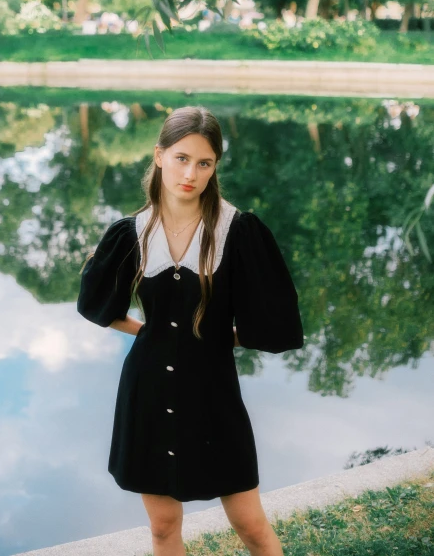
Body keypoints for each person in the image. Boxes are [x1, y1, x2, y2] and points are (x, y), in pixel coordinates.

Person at [77, 105, 304, 556]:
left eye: (205, 163)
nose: (191, 173)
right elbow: (96, 304)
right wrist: (147, 331)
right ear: (159, 156)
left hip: (213, 392)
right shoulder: (132, 233)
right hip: (148, 392)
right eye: (182, 158)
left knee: (250, 524)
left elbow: (276, 324)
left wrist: (220, 336)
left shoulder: (238, 231)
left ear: (215, 167)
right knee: (163, 528)